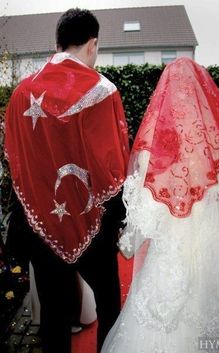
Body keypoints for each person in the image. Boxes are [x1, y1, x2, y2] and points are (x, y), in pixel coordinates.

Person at [5, 8, 129, 353]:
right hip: (93, 223)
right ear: (92, 44)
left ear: (58, 42)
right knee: (108, 305)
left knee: (54, 315)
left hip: (42, 225)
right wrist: (118, 219)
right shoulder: (104, 91)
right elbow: (112, 168)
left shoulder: (20, 94)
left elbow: (16, 161)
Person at [101, 57, 219, 353]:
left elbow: (144, 219)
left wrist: (126, 243)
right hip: (213, 258)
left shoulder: (158, 155)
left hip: (172, 259)